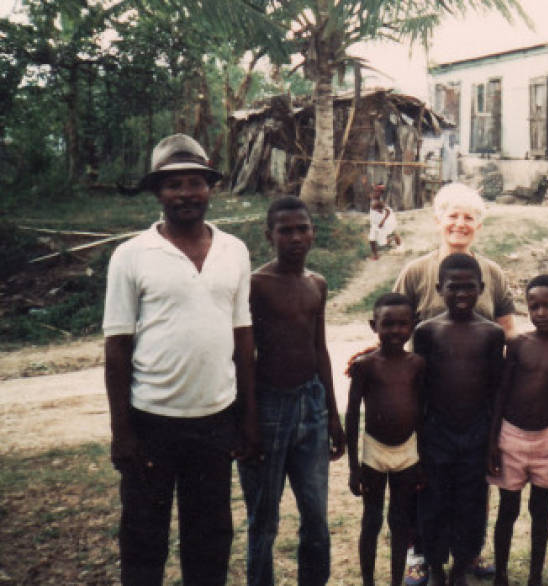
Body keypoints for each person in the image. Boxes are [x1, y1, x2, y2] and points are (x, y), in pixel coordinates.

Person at [102, 133, 258, 584]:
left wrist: (247, 420)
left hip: (215, 421)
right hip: (151, 422)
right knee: (143, 537)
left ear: (211, 188)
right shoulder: (130, 256)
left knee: (209, 538)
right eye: (174, 184)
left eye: (196, 182)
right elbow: (117, 348)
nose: (187, 193)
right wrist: (122, 432)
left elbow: (243, 336)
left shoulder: (235, 250)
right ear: (157, 192)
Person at [238, 196, 345, 586]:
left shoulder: (316, 284)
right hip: (268, 406)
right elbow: (244, 356)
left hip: (311, 404)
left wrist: (333, 415)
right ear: (270, 236)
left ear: (313, 233)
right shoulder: (255, 285)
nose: (296, 237)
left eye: (303, 228)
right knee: (263, 518)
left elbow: (319, 348)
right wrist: (247, 419)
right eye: (286, 230)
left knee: (316, 515)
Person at [486, 275, 548, 586]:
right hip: (510, 436)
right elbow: (501, 393)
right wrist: (493, 441)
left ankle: (535, 577)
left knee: (540, 510)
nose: (541, 312)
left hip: (547, 439)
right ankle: (501, 574)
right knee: (507, 508)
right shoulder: (518, 345)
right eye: (534, 306)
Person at [413, 253, 506, 586]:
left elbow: (497, 390)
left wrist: (492, 440)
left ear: (481, 288)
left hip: (476, 433)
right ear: (440, 288)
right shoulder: (427, 332)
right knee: (434, 503)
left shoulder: (491, 334)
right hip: (436, 432)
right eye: (454, 287)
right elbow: (418, 389)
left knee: (471, 505)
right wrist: (420, 439)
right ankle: (436, 568)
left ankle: (459, 570)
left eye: (470, 287)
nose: (462, 294)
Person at [347, 293, 426, 586]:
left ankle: (395, 581)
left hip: (407, 451)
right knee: (372, 518)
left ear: (413, 325)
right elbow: (353, 414)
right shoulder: (365, 365)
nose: (395, 331)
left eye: (402, 324)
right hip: (374, 451)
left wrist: (422, 461)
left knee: (400, 520)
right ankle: (368, 580)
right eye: (387, 324)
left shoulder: (417, 364)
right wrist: (354, 467)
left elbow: (422, 413)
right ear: (373, 325)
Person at [394, 182, 515, 335]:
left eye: (469, 218)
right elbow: (392, 326)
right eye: (453, 216)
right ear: (438, 222)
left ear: (478, 226)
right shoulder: (414, 272)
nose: (460, 224)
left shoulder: (493, 273)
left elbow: (508, 330)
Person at [369, 184, 402, 260]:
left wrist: (383, 221)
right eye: (374, 191)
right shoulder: (373, 199)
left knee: (382, 242)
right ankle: (375, 255)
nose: (375, 193)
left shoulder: (379, 202)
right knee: (371, 239)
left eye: (377, 192)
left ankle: (394, 237)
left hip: (381, 222)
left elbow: (387, 211)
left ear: (380, 194)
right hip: (375, 222)